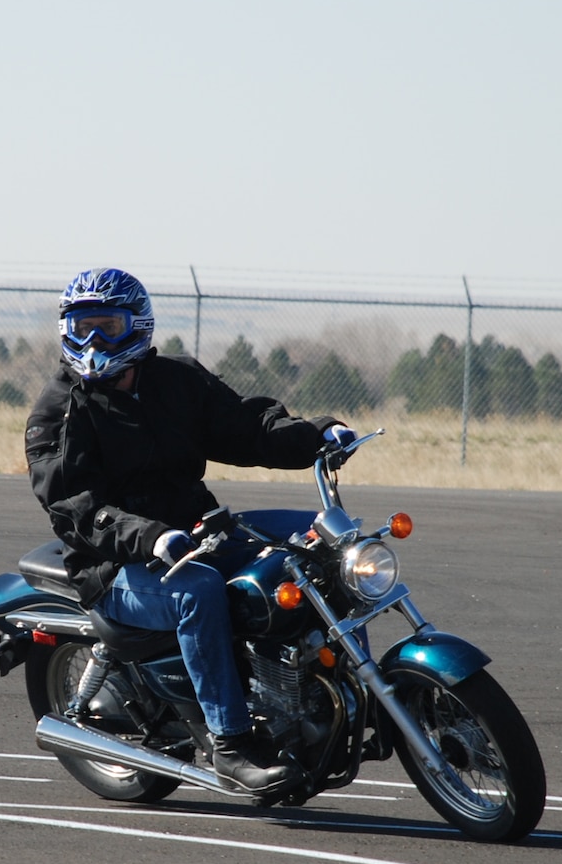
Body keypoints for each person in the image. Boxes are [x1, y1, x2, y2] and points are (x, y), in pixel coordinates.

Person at [25, 267, 355, 792]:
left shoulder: (176, 380)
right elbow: (74, 508)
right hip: (114, 565)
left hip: (199, 531)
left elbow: (247, 427)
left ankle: (333, 681)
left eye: (107, 326)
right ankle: (231, 743)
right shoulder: (60, 411)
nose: (93, 340)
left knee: (324, 537)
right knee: (199, 592)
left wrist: (317, 434)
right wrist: (149, 535)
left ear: (138, 325)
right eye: (82, 326)